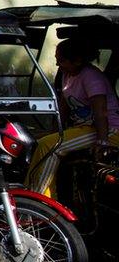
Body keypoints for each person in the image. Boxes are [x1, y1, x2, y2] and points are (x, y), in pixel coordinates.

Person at [27, 38, 119, 198]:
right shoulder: (67, 75)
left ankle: (39, 199)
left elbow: (101, 112)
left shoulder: (91, 77)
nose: (58, 65)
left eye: (61, 61)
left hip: (109, 130)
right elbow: (63, 106)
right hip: (86, 128)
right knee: (37, 141)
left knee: (49, 146)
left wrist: (102, 143)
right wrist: (56, 132)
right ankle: (32, 192)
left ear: (77, 61)